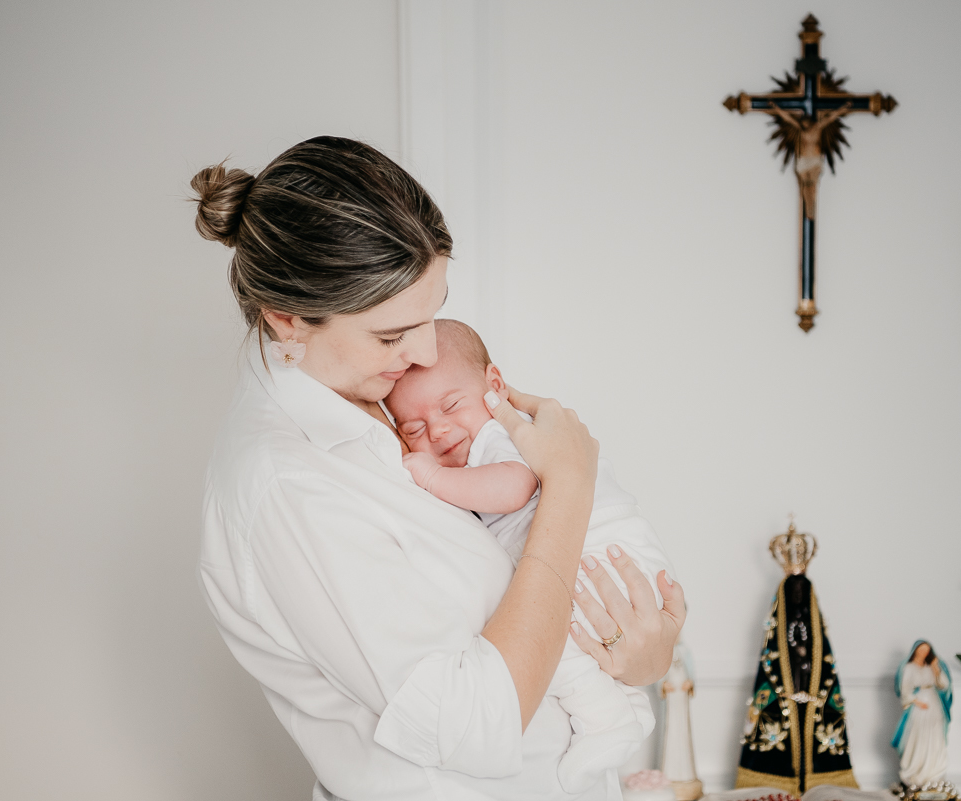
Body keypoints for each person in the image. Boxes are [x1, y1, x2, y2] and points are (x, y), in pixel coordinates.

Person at [191, 136, 686, 801]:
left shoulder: (367, 396)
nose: (425, 350)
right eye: (392, 335)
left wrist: (638, 657)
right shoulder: (288, 487)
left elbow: (526, 593)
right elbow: (475, 723)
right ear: (288, 319)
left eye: (433, 311)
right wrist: (568, 484)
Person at [384, 318, 674, 792]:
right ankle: (627, 709)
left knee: (544, 640)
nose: (437, 430)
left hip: (604, 551)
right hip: (602, 557)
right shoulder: (473, 452)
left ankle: (607, 720)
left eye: (451, 405)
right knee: (553, 639)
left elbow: (515, 486)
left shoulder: (503, 436)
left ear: (493, 386)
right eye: (413, 428)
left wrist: (433, 478)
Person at [891, 640, 952, 788]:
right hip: (919, 706)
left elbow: (943, 685)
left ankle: (933, 773)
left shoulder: (931, 667)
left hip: (934, 704)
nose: (924, 652)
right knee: (917, 735)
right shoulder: (909, 667)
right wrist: (916, 701)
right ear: (916, 650)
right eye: (921, 649)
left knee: (935, 735)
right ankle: (915, 772)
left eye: (927, 650)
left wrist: (935, 667)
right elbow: (905, 689)